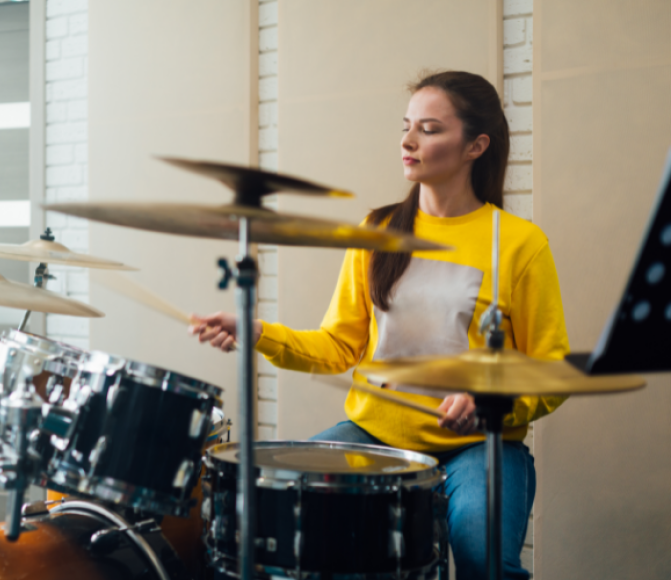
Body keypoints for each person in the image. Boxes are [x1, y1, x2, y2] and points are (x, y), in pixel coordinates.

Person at [189, 70, 569, 580]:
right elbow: (339, 346)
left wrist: (491, 403)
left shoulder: (520, 243)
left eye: (430, 129)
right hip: (373, 435)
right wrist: (259, 332)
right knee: (273, 513)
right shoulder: (377, 230)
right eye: (407, 126)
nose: (408, 142)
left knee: (485, 563)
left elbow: (551, 368)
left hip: (479, 448)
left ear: (476, 145)